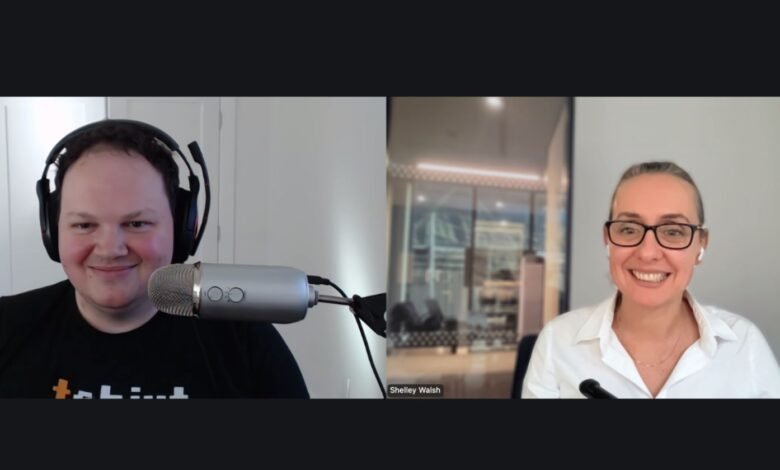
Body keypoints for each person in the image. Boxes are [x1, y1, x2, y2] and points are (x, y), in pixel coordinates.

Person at [0, 119, 309, 398]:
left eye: (137, 224)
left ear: (185, 227)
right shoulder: (8, 326)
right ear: (52, 231)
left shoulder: (245, 341)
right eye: (84, 225)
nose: (110, 249)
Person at [522, 161, 780, 398]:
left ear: (700, 246)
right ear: (607, 239)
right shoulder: (558, 342)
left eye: (673, 232)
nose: (647, 253)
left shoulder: (746, 345)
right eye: (628, 229)